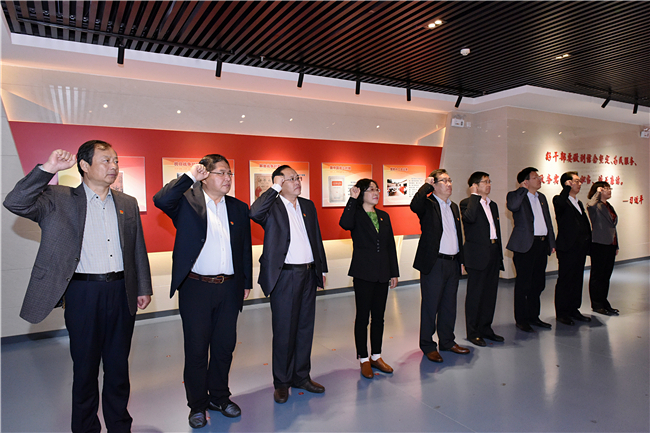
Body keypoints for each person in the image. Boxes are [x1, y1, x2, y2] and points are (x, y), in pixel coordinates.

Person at [3, 141, 152, 433]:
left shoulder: (127, 202)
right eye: (106, 160)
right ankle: (85, 428)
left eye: (116, 160)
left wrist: (143, 286)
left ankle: (120, 426)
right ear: (84, 165)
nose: (113, 166)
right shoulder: (58, 198)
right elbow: (15, 201)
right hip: (83, 293)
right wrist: (48, 169)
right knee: (85, 369)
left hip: (121, 291)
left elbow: (137, 248)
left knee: (118, 367)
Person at [153, 155, 252, 428]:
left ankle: (219, 397)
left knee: (224, 347)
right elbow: (161, 200)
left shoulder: (238, 208)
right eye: (221, 173)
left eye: (229, 173)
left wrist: (245, 282)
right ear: (205, 176)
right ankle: (197, 405)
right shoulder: (187, 203)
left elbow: (244, 247)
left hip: (229, 288)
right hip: (196, 288)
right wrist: (189, 177)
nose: (228, 178)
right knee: (197, 350)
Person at [249, 165, 328, 404]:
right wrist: (274, 187)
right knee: (284, 331)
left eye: (298, 177)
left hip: (308, 274)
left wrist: (321, 269)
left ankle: (301, 376)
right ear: (279, 182)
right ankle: (282, 382)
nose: (297, 181)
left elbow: (316, 237)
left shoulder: (307, 206)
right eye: (291, 178)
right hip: (284, 276)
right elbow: (254, 212)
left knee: (305, 328)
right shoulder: (271, 206)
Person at [339, 179, 399, 379]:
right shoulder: (355, 214)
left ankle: (376, 356)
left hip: (382, 273)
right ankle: (364, 358)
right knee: (363, 317)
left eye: (377, 189)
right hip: (363, 273)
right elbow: (344, 223)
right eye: (371, 189)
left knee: (379, 317)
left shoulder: (383, 216)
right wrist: (351, 199)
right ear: (361, 192)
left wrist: (394, 272)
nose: (376, 192)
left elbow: (390, 245)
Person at [410, 169, 469, 363]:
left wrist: (461, 261)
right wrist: (426, 185)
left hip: (453, 262)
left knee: (449, 305)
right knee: (431, 306)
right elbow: (414, 204)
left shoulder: (453, 207)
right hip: (434, 263)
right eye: (443, 180)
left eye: (450, 180)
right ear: (433, 184)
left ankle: (447, 341)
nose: (449, 184)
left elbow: (458, 236)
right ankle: (428, 345)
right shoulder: (428, 204)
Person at [506, 167, 556, 333]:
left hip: (541, 245)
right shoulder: (515, 195)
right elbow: (513, 206)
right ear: (525, 181)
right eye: (535, 177)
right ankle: (521, 320)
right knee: (523, 284)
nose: (539, 179)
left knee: (538, 283)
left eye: (539, 176)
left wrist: (551, 242)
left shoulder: (541, 197)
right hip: (525, 246)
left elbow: (548, 221)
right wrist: (522, 190)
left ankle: (534, 316)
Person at [460, 172, 505, 347]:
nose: (488, 184)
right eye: (484, 182)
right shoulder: (467, 203)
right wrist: (474, 196)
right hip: (477, 255)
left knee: (490, 294)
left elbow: (496, 230)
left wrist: (499, 254)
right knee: (475, 295)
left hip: (493, 252)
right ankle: (473, 332)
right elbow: (469, 218)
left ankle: (486, 328)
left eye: (489, 181)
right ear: (475, 185)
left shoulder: (492, 205)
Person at [552, 171, 592, 326]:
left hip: (580, 248)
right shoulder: (559, 200)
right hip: (567, 248)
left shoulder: (578, 202)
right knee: (565, 280)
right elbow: (561, 205)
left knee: (577, 279)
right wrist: (566, 189)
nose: (579, 184)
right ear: (567, 183)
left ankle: (574, 309)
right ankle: (562, 312)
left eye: (579, 181)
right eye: (576, 181)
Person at [586, 181, 620, 316]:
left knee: (606, 276)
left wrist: (616, 244)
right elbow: (590, 204)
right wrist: (597, 193)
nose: (609, 190)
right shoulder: (595, 206)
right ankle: (597, 304)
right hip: (599, 244)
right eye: (606, 189)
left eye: (609, 188)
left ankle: (604, 302)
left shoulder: (608, 206)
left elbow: (612, 227)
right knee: (597, 275)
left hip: (610, 244)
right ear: (599, 190)